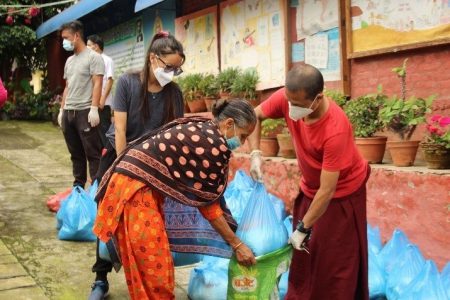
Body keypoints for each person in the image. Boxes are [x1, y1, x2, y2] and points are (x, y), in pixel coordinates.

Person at [94, 99, 257, 300]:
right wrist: (237, 244)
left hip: (137, 186)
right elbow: (209, 207)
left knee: (152, 265)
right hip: (133, 190)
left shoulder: (207, 130)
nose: (243, 142)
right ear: (229, 124)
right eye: (244, 136)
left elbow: (206, 193)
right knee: (155, 267)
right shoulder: (212, 144)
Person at [248, 64, 370, 299]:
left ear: (318, 98)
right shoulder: (288, 97)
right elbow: (255, 114)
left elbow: (328, 190)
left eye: (299, 105)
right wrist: (255, 154)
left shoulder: (336, 129)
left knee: (334, 261)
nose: (291, 108)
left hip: (342, 195)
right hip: (311, 188)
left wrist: (303, 228)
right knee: (305, 256)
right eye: (289, 101)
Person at [89, 31, 185, 300]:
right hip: (119, 159)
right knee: (107, 216)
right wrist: (124, 169)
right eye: (170, 67)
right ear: (153, 59)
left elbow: (175, 136)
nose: (173, 73)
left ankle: (147, 279)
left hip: (153, 167)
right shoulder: (128, 83)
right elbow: (119, 130)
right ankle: (100, 279)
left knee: (147, 228)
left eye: (178, 68)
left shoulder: (174, 93)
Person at [58, 20, 104, 188]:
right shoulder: (69, 61)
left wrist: (94, 108)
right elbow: (68, 86)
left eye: (66, 37)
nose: (64, 41)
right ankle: (78, 190)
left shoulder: (94, 57)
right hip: (69, 113)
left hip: (85, 112)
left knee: (93, 154)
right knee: (75, 156)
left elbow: (98, 83)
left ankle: (96, 192)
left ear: (76, 36)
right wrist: (62, 110)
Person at [86, 35, 115, 147]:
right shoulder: (90, 62)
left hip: (103, 105)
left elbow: (110, 80)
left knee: (105, 135)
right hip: (91, 105)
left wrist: (102, 100)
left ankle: (110, 159)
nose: (87, 47)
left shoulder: (107, 60)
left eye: (89, 45)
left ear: (96, 46)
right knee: (94, 137)